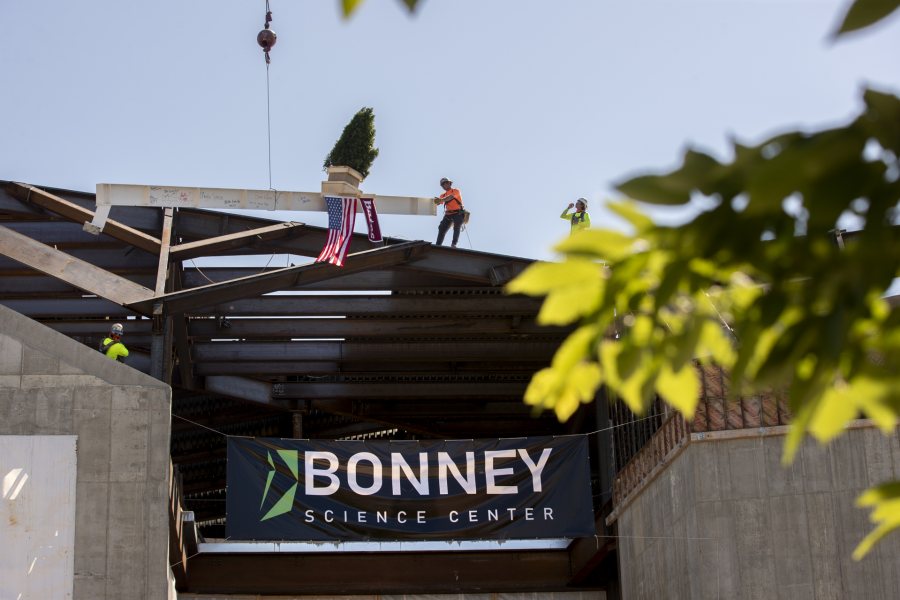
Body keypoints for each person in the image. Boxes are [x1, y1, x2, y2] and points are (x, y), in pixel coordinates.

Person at [434, 177, 465, 248]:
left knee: (457, 226)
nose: (445, 185)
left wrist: (441, 200)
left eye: (446, 183)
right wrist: (435, 201)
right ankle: (438, 246)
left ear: (449, 183)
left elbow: (451, 197)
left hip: (458, 213)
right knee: (441, 228)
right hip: (448, 214)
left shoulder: (456, 191)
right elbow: (438, 202)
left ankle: (454, 244)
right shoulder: (443, 195)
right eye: (443, 184)